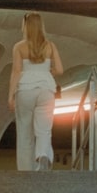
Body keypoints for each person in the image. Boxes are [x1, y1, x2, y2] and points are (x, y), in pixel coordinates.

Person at [8, 11, 63, 171]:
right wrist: (47, 71)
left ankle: (25, 170)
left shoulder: (19, 47)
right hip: (46, 90)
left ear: (26, 26)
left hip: (25, 90)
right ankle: (43, 156)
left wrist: (10, 95)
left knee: (25, 132)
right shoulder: (50, 46)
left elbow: (16, 71)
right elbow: (59, 69)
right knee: (44, 130)